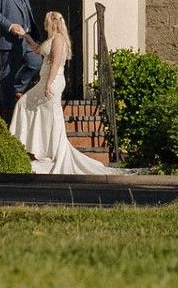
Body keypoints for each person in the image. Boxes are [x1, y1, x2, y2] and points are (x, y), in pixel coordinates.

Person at [9, 11, 121, 177]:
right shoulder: (51, 39)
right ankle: (33, 147)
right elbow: (37, 49)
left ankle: (52, 151)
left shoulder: (59, 39)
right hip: (45, 82)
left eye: (46, 22)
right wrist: (25, 35)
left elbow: (55, 64)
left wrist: (48, 84)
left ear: (52, 23)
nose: (44, 24)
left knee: (47, 113)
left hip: (52, 82)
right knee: (27, 105)